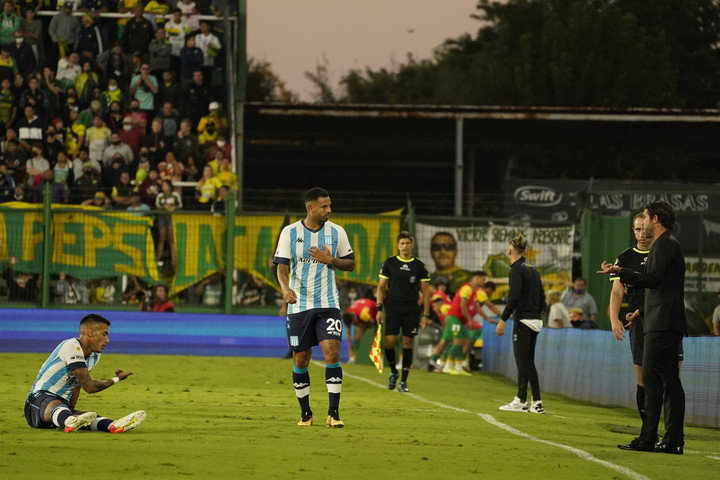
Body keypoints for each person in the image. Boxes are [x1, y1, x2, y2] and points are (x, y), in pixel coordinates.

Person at [598, 200, 687, 454]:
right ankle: (673, 441)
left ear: (656, 219)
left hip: (662, 323)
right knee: (670, 381)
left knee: (650, 378)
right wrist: (642, 309)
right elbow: (663, 286)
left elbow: (652, 280)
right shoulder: (668, 244)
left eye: (646, 218)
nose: (643, 224)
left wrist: (621, 272)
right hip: (665, 320)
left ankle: (648, 439)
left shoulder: (664, 244)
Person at [272, 186, 355, 428]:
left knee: (332, 353)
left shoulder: (337, 232)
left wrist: (332, 260)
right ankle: (306, 413)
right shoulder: (290, 232)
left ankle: (334, 413)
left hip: (329, 303)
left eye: (329, 205)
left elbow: (350, 264)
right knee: (301, 359)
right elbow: (282, 266)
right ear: (310, 208)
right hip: (300, 305)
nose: (329, 210)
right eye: (324, 206)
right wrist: (285, 290)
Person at [24, 313, 146, 433]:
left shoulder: (94, 355)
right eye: (104, 335)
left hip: (60, 408)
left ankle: (112, 425)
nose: (107, 340)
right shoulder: (71, 346)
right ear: (91, 332)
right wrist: (116, 379)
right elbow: (89, 386)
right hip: (37, 401)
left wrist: (70, 409)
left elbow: (77, 386)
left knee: (89, 416)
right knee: (56, 405)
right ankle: (69, 419)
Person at [607, 213, 651, 423]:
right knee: (642, 378)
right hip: (637, 321)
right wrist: (614, 319)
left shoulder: (662, 252)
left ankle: (673, 433)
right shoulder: (624, 257)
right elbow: (616, 291)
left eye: (645, 229)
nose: (641, 234)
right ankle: (647, 431)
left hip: (663, 318)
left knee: (670, 377)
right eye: (637, 229)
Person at [375, 231, 432, 392]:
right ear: (398, 245)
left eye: (407, 243)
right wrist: (379, 308)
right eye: (402, 243)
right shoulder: (390, 263)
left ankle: (404, 382)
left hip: (411, 308)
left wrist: (426, 314)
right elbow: (380, 288)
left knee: (407, 343)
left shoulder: (419, 266)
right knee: (390, 342)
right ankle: (393, 371)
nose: (405, 246)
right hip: (392, 306)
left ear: (412, 245)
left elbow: (426, 293)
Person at [496, 234, 546, 414]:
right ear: (525, 251)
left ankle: (521, 400)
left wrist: (503, 319)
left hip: (523, 320)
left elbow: (513, 297)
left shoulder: (516, 269)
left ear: (509, 250)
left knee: (522, 361)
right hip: (535, 319)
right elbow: (542, 297)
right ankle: (537, 401)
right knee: (530, 361)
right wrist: (537, 314)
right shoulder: (533, 269)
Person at [431, 271, 486, 375]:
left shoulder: (446, 301)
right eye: (440, 286)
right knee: (455, 343)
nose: (442, 287)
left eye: (444, 285)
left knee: (458, 342)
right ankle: (444, 365)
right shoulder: (440, 297)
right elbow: (441, 309)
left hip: (454, 321)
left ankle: (454, 366)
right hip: (454, 320)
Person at [428, 231, 471, 297]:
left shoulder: (469, 276)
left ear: (456, 252)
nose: (442, 252)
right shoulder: (427, 279)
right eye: (436, 247)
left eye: (448, 247)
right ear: (431, 252)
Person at [342, 296, 377, 364]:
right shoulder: (348, 315)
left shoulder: (363, 314)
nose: (353, 324)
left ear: (354, 317)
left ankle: (378, 356)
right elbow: (348, 334)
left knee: (377, 334)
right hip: (363, 310)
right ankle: (352, 357)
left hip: (375, 311)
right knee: (357, 336)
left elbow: (372, 323)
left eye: (353, 323)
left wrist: (365, 326)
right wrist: (350, 350)